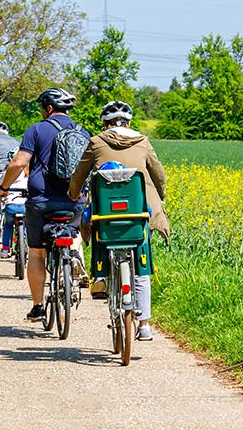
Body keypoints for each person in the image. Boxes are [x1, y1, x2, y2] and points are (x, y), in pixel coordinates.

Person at [68, 100, 170, 341]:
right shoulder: (143, 141)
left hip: (106, 215)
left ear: (105, 123)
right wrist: (160, 196)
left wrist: (74, 194)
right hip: (140, 213)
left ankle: (101, 277)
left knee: (99, 230)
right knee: (142, 265)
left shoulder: (96, 142)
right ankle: (144, 324)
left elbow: (79, 174)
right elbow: (159, 175)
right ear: (129, 122)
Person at [0, 88, 90, 322]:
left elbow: (19, 162)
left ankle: (38, 306)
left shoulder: (36, 129)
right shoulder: (83, 132)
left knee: (37, 252)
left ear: (48, 108)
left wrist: (4, 188)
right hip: (75, 201)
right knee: (72, 232)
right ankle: (74, 257)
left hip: (42, 201)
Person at [0, 148, 28, 258]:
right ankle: (28, 245)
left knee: (8, 224)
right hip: (25, 207)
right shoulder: (28, 174)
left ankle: (5, 249)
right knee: (27, 224)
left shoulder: (7, 173)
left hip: (11, 206)